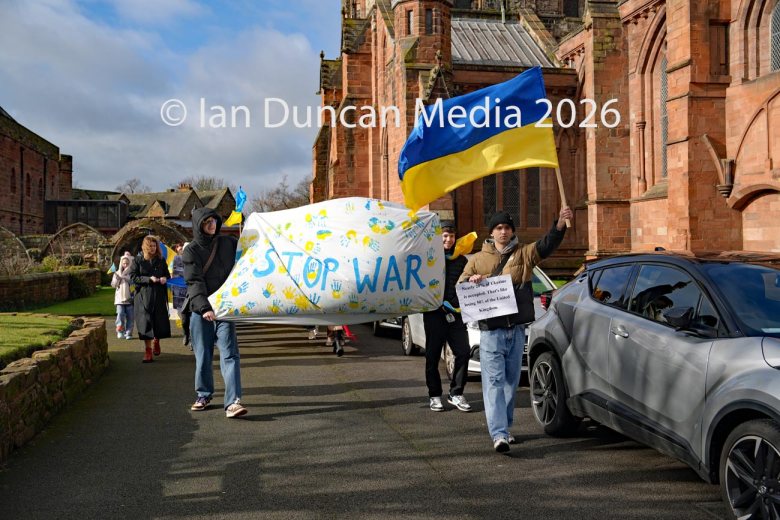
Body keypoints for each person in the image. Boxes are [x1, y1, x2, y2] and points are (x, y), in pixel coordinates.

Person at [459, 206, 573, 452]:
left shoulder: (524, 254)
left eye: (507, 228)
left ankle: (505, 427)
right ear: (492, 232)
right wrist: (472, 280)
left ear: (512, 231)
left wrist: (560, 224)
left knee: (511, 382)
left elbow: (546, 245)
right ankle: (498, 433)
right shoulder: (479, 259)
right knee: (494, 382)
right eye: (499, 228)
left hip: (517, 329)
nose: (503, 232)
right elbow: (462, 287)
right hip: (491, 332)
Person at [183, 208, 247, 418]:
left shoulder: (228, 243)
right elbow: (194, 282)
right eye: (206, 222)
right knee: (203, 355)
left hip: (224, 308)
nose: (211, 225)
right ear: (198, 225)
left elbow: (248, 259)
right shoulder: (191, 251)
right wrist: (205, 308)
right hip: (200, 311)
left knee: (230, 354)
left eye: (213, 221)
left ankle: (233, 402)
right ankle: (204, 394)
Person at [424, 219, 471, 412]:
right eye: (445, 235)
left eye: (451, 236)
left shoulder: (462, 260)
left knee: (463, 352)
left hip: (456, 314)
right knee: (432, 356)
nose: (448, 239)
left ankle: (456, 393)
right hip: (434, 314)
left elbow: (466, 284)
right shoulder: (429, 258)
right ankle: (435, 395)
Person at [130, 236, 172, 363]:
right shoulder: (138, 260)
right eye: (151, 246)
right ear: (145, 247)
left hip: (159, 294)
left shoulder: (160, 259)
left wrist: (165, 278)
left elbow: (167, 275)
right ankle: (148, 351)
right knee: (145, 323)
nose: (153, 248)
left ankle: (156, 341)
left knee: (158, 321)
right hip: (143, 296)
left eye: (155, 246)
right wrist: (148, 279)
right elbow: (133, 277)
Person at [171, 242, 192, 347]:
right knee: (184, 319)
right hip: (180, 293)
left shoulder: (197, 260)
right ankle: (186, 334)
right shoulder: (177, 260)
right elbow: (173, 274)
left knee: (194, 319)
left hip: (193, 293)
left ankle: (193, 340)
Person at [111, 254, 134, 340]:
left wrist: (127, 278)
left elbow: (134, 284)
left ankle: (128, 333)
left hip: (130, 299)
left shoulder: (132, 273)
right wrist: (118, 279)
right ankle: (120, 331)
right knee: (120, 314)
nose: (125, 265)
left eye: (127, 263)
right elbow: (113, 285)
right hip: (120, 299)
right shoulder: (117, 273)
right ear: (121, 263)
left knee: (130, 317)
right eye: (124, 263)